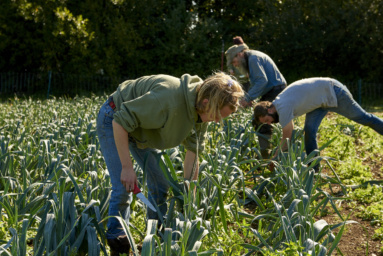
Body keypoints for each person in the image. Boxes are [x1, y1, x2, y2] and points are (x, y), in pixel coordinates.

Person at [96, 72, 244, 255]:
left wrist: (190, 195)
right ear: (206, 102)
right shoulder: (168, 98)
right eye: (218, 116)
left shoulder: (201, 113)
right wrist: (127, 167)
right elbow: (121, 121)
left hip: (141, 129)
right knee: (123, 185)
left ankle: (155, 237)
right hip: (114, 119)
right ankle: (118, 241)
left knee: (160, 182)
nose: (217, 121)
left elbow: (192, 154)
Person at [252, 77, 383, 170]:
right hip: (319, 103)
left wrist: (275, 158)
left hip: (333, 92)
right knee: (309, 131)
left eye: (267, 120)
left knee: (364, 118)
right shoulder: (280, 103)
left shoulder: (282, 107)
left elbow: (287, 136)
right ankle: (314, 169)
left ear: (269, 110)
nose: (270, 124)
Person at [225, 36, 287, 158]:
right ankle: (269, 152)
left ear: (239, 54)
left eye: (234, 61)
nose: (235, 65)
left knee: (261, 118)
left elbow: (262, 81)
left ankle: (266, 155)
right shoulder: (251, 58)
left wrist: (246, 98)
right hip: (272, 89)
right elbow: (257, 82)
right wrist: (252, 98)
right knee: (261, 119)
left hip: (275, 90)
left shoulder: (253, 59)